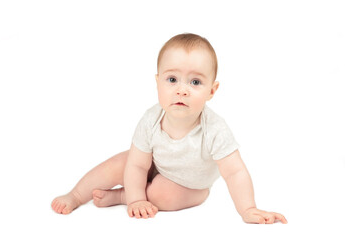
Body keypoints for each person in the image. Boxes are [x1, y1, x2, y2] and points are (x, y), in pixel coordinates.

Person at [51, 33, 287, 224]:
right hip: (155, 165)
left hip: (190, 186)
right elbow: (137, 164)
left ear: (211, 91)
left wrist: (247, 208)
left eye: (195, 82)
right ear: (158, 82)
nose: (182, 90)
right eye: (172, 79)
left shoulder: (215, 129)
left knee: (162, 193)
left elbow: (235, 172)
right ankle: (76, 195)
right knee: (120, 163)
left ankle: (121, 196)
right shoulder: (151, 119)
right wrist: (137, 201)